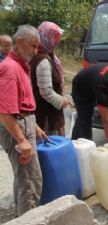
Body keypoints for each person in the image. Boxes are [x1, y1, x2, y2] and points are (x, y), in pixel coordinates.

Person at [0, 25, 46, 216]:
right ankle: (27, 220)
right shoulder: (10, 68)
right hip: (16, 127)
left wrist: (33, 125)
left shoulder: (20, 65)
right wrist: (21, 140)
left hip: (24, 123)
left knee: (24, 178)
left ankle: (22, 218)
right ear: (20, 43)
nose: (36, 52)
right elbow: (4, 111)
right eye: (33, 46)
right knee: (31, 182)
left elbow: (20, 103)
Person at [30, 21, 71, 136]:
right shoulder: (42, 60)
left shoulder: (45, 55)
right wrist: (63, 101)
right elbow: (46, 92)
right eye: (55, 38)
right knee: (49, 148)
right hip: (46, 115)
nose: (57, 42)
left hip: (48, 110)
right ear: (46, 37)